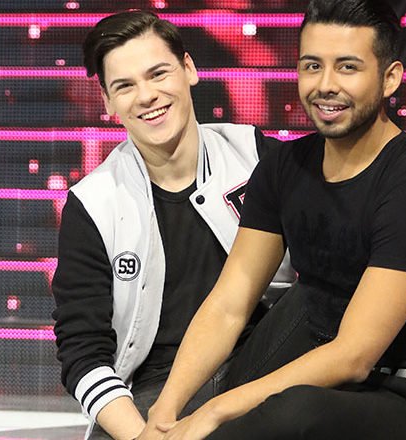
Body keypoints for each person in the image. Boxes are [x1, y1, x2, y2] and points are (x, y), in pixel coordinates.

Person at [138, 1, 406, 439]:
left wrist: (215, 411)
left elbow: (354, 355)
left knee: (286, 413)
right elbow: (229, 304)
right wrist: (166, 410)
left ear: (390, 78)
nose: (325, 85)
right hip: (316, 377)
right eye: (312, 66)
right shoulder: (285, 167)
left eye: (348, 67)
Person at [50, 10, 295, 440]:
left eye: (158, 74)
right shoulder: (94, 204)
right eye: (125, 86)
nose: (147, 96)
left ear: (189, 69)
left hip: (262, 368)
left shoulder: (257, 158)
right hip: (152, 393)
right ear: (107, 101)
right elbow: (83, 353)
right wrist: (142, 436)